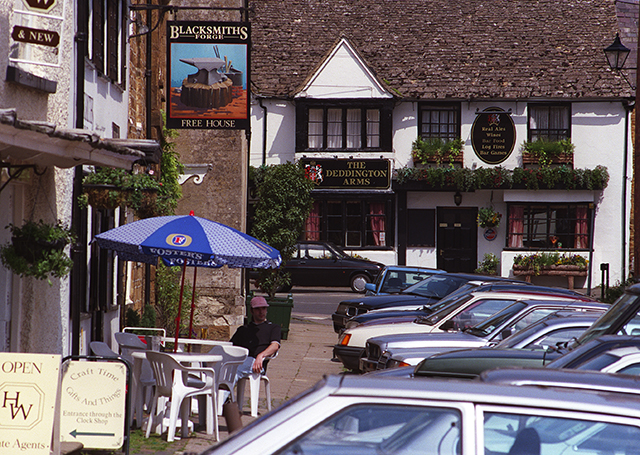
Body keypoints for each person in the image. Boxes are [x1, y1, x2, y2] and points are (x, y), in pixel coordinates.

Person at [231, 296, 281, 382]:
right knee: (219, 366)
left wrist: (261, 356)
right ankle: (212, 391)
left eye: (264, 308)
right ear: (252, 311)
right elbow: (231, 346)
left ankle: (221, 394)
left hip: (256, 363)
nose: (261, 312)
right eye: (258, 309)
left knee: (233, 370)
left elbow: (275, 346)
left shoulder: (273, 327)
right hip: (241, 359)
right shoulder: (243, 329)